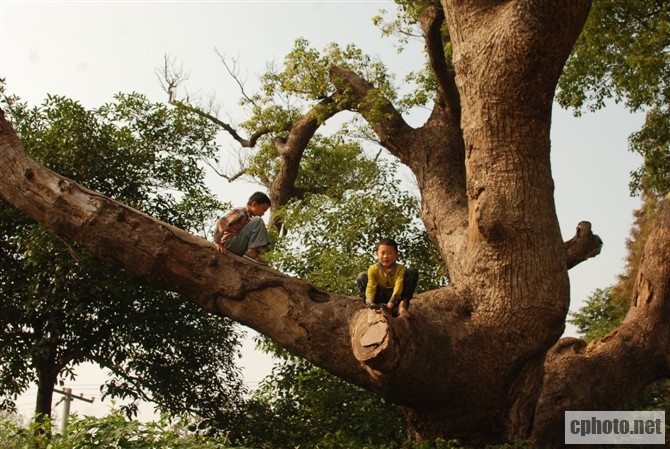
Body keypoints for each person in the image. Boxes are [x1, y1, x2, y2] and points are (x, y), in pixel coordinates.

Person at [356, 238, 418, 318]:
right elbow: (371, 286)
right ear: (377, 254)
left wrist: (390, 304)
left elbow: (398, 287)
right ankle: (371, 307)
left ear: (396, 255)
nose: (385, 256)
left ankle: (402, 306)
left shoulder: (400, 269)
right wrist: (370, 302)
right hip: (378, 296)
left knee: (411, 272)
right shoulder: (373, 269)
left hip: (395, 297)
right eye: (382, 253)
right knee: (362, 277)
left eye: (390, 253)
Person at [213, 191, 271, 264]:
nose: (263, 213)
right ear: (254, 204)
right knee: (258, 220)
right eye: (263, 210)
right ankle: (251, 252)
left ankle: (254, 252)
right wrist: (217, 242)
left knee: (261, 229)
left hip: (238, 247)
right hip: (229, 244)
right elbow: (222, 223)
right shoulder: (240, 211)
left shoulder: (249, 219)